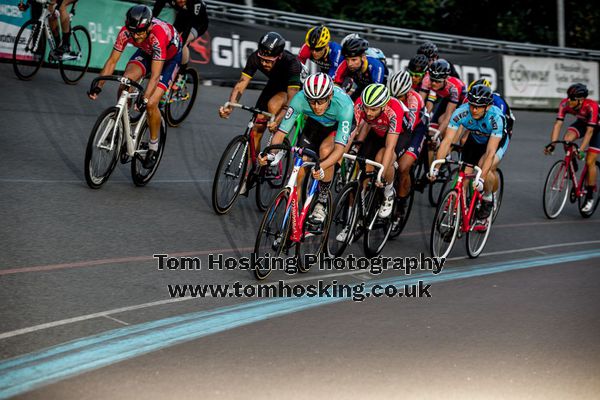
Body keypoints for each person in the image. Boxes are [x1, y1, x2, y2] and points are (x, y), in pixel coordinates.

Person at [88, 5, 182, 169]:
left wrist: (145, 98)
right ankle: (122, 122)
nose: (136, 36)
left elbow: (154, 77)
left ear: (148, 26)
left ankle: (153, 146)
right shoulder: (126, 32)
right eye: (133, 32)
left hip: (169, 59)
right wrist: (99, 85)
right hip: (146, 52)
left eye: (140, 32)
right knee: (125, 81)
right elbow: (112, 61)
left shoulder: (157, 35)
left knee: (152, 103)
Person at [259, 73, 354, 225]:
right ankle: (293, 220)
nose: (316, 106)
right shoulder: (299, 99)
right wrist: (270, 154)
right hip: (314, 125)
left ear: (329, 95)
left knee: (325, 152)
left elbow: (339, 150)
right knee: (300, 163)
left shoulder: (345, 106)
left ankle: (322, 200)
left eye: (321, 101)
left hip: (336, 127)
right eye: (312, 102)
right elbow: (282, 132)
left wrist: (321, 167)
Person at [218, 32, 302, 194]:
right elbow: (241, 84)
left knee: (273, 106)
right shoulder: (256, 57)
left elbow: (292, 99)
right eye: (262, 59)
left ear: (278, 56)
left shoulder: (291, 63)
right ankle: (253, 169)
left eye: (268, 61)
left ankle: (275, 152)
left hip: (292, 90)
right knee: (256, 128)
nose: (264, 63)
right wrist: (230, 105)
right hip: (274, 85)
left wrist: (278, 119)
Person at [431, 84, 509, 220]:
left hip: (495, 142)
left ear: (487, 107)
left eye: (478, 107)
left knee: (484, 166)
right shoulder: (462, 112)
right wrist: (436, 167)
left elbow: (491, 152)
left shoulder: (496, 118)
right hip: (476, 139)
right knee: (465, 173)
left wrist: (481, 178)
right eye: (471, 105)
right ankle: (458, 214)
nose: (473, 109)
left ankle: (488, 197)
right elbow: (447, 141)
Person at [350, 83, 410, 221]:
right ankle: (354, 217)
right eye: (366, 108)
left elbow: (390, 147)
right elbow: (351, 133)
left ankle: (388, 192)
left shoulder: (394, 110)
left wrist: (382, 173)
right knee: (363, 163)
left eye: (373, 109)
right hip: (377, 131)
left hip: (400, 135)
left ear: (383, 106)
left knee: (382, 159)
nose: (368, 112)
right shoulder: (360, 104)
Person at [544, 83, 599, 212]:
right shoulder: (565, 104)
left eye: (572, 98)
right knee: (567, 140)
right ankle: (572, 164)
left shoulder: (591, 107)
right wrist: (552, 144)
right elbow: (558, 124)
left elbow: (590, 131)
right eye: (568, 97)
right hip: (582, 123)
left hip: (597, 128)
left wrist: (581, 150)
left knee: (590, 161)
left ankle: (590, 197)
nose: (569, 100)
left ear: (580, 100)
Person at [387, 70, 428, 217]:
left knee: (403, 166)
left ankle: (401, 203)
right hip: (396, 123)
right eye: (393, 96)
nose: (395, 99)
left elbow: (406, 131)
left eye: (399, 97)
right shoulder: (388, 92)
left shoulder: (413, 101)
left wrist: (396, 153)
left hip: (415, 129)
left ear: (407, 92)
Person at [152, 0, 208, 86]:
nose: (181, 1)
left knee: (182, 43)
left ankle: (181, 74)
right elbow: (158, 6)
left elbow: (188, 27)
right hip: (183, 16)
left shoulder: (195, 2)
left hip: (197, 23)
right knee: (170, 39)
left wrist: (179, 45)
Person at [420, 59, 466, 139]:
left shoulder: (453, 87)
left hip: (460, 103)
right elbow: (423, 105)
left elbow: (448, 116)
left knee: (442, 120)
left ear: (445, 79)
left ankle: (448, 145)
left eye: (437, 81)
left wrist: (437, 134)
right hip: (446, 97)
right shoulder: (427, 79)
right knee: (431, 127)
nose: (434, 83)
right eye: (432, 80)